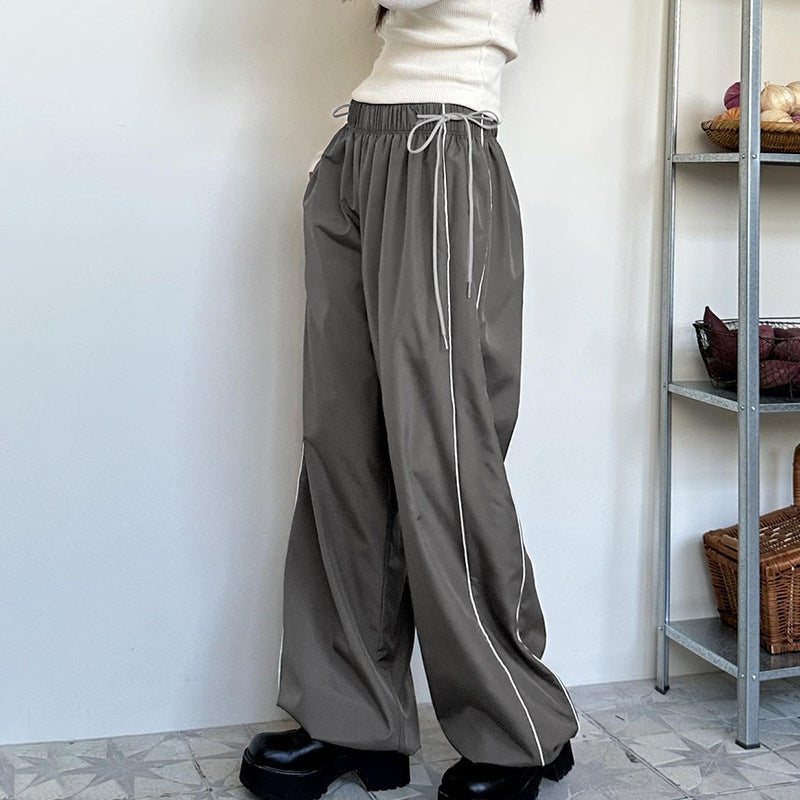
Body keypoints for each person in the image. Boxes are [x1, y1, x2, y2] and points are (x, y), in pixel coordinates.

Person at [239, 2, 579, 798]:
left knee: (441, 453)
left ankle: (518, 723)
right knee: (343, 445)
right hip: (362, 145)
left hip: (439, 152)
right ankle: (351, 717)